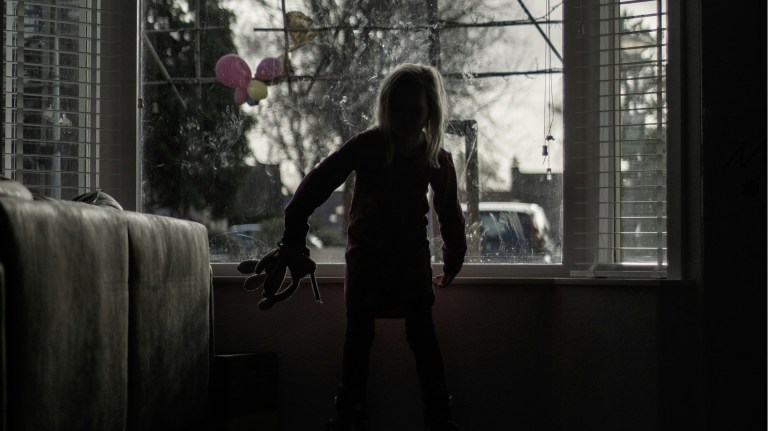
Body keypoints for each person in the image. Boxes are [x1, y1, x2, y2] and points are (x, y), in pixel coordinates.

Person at [279, 63, 467, 431]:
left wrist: (454, 260)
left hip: (410, 264)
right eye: (397, 108)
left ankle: (440, 420)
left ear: (431, 111)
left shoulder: (437, 157)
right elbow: (318, 182)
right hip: (366, 262)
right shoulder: (367, 145)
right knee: (358, 344)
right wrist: (294, 229)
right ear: (385, 107)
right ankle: (348, 419)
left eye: (414, 109)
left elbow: (449, 211)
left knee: (424, 341)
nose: (405, 117)